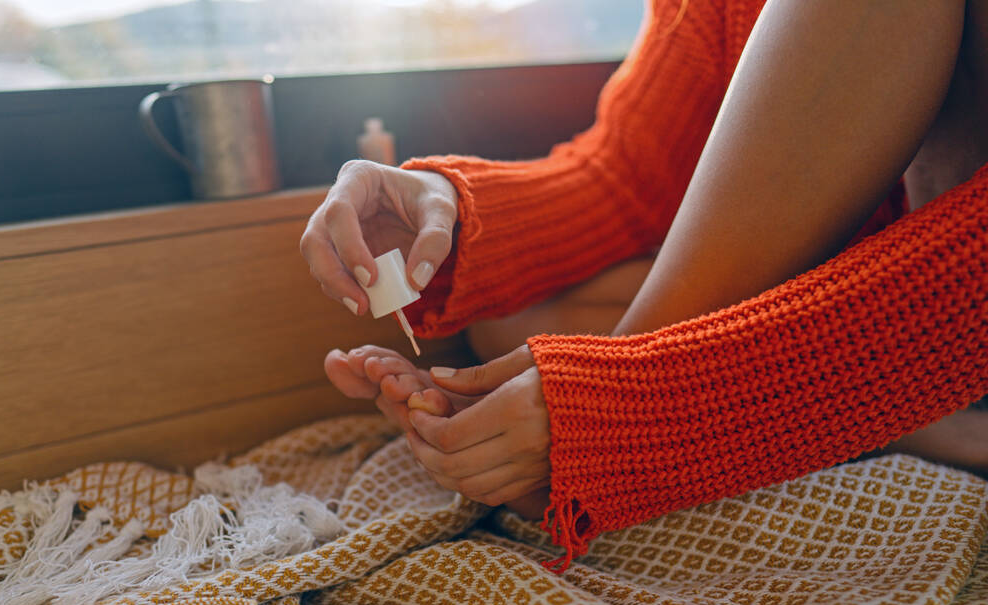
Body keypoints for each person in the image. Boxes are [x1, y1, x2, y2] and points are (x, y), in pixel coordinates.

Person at [301, 0, 988, 568]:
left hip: (955, 323)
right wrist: (440, 207)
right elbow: (625, 175)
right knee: (516, 322)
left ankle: (620, 427)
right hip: (842, 317)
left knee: (553, 360)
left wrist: (633, 408)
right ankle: (908, 425)